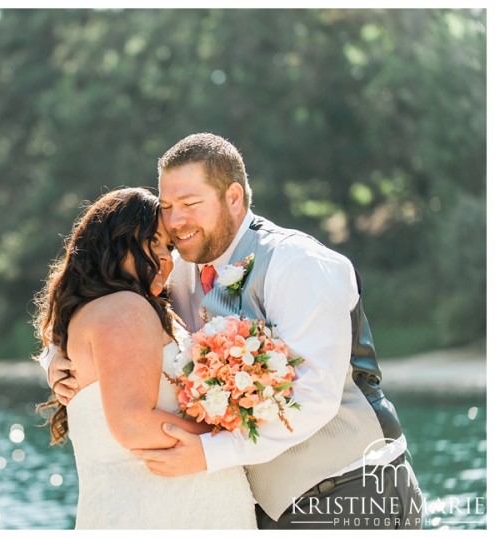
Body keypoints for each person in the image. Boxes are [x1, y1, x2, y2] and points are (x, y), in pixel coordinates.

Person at [44, 134, 424, 529]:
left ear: (233, 198)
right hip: (259, 511)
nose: (175, 222)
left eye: (191, 204)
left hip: (352, 490)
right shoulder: (176, 276)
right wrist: (58, 360)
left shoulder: (296, 263)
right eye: (169, 207)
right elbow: (107, 314)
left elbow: (314, 396)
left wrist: (209, 453)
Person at [34, 187, 257, 530]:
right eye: (152, 242)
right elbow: (133, 424)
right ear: (113, 243)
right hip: (168, 512)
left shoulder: (98, 312)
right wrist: (230, 435)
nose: (166, 258)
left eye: (168, 246)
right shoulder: (126, 308)